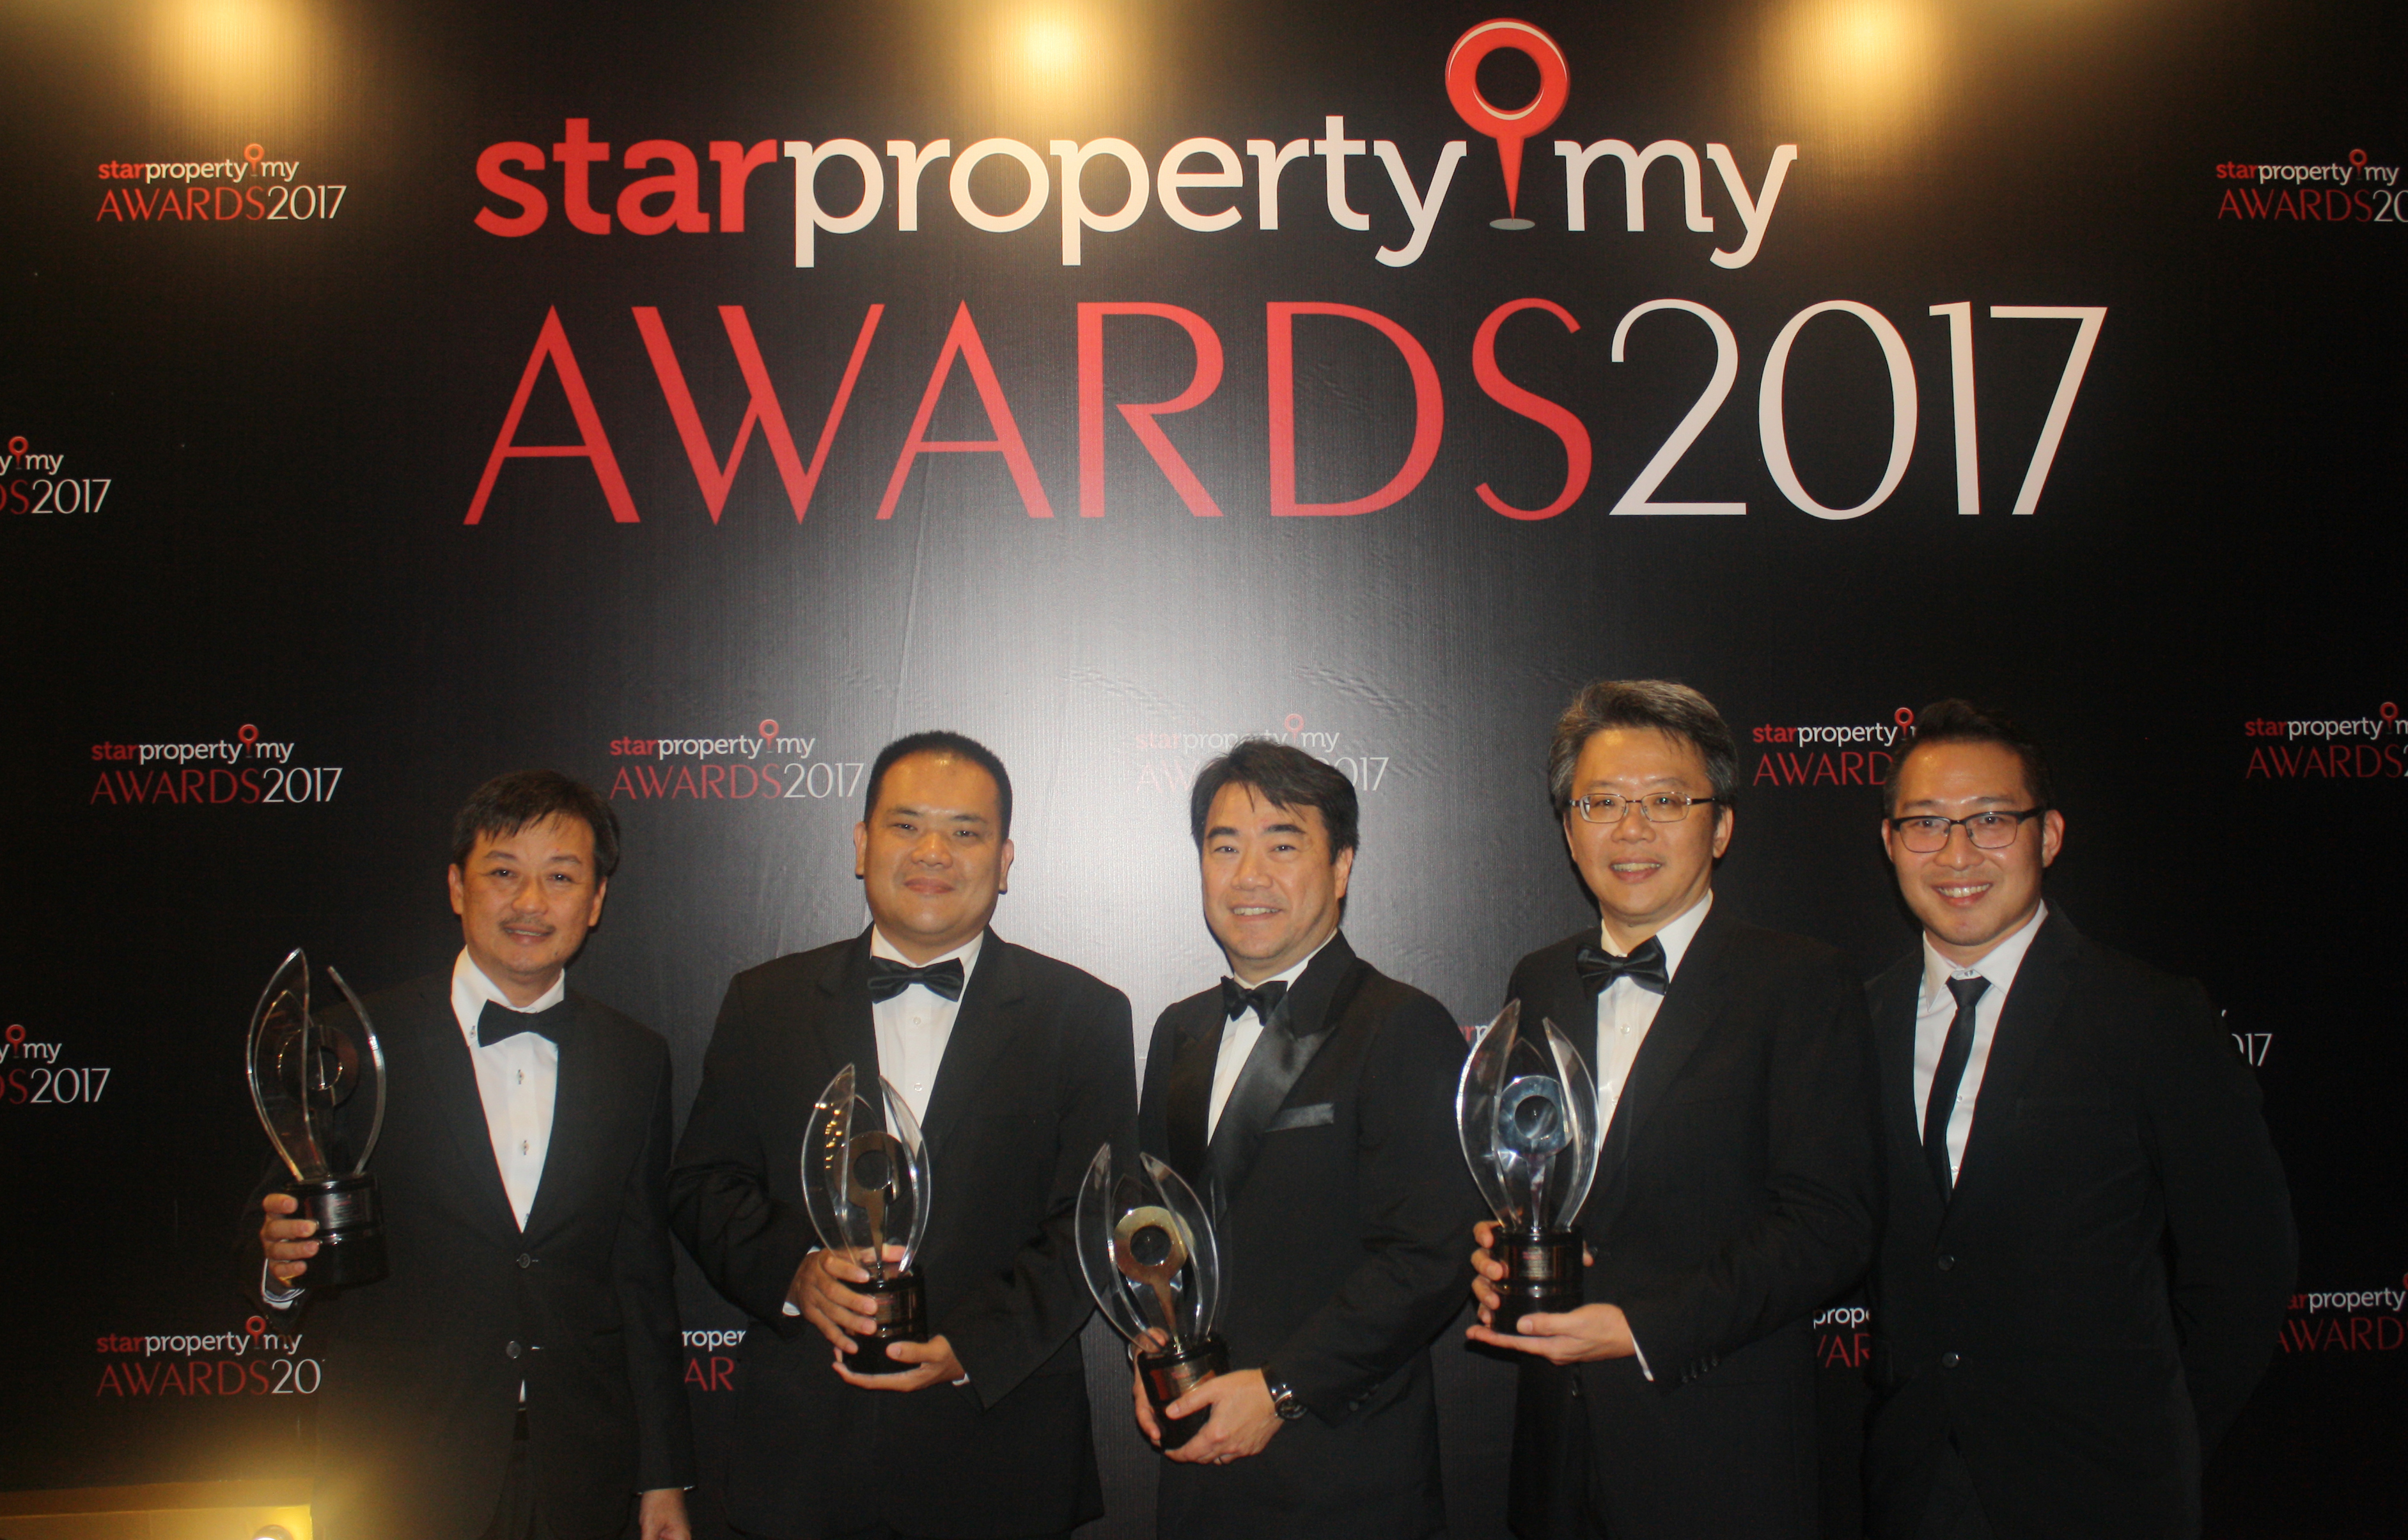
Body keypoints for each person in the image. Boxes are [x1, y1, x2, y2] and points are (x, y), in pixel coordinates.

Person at [669, 730, 1135, 1540]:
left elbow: (1093, 1221)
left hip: (1000, 1457)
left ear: (1005, 857)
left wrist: (974, 1345)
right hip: (801, 1464)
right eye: (905, 824)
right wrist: (795, 1271)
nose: (933, 851)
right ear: (860, 843)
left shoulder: (1084, 1015)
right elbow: (704, 1182)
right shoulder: (764, 1002)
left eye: (965, 830)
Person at [1861, 700, 2294, 1540]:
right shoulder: (1855, 1021)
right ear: (1889, 844)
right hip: (1914, 1493)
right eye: (1924, 824)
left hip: (2107, 1493)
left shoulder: (2151, 1015)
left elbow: (2246, 1266)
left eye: (1990, 820)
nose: (1956, 853)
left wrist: (2154, 1443)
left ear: (2047, 836)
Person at [1467, 679, 1878, 1540]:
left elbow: (1828, 1223)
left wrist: (1640, 1329)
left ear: (1720, 825)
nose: (1631, 828)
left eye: (1665, 800)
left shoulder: (1800, 982)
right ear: (1568, 825)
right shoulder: (1538, 981)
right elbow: (1533, 1180)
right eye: (1602, 802)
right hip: (1557, 1461)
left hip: (1720, 1455)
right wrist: (1502, 1251)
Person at [251, 770, 693, 1540]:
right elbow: (264, 1226)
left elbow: (641, 1278)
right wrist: (279, 1262)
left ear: (594, 902)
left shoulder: (636, 1058)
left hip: (580, 1470)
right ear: (457, 886)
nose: (530, 902)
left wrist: (661, 1477)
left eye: (561, 876)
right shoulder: (349, 1041)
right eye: (503, 873)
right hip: (397, 1470)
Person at [1133, 742, 1482, 1539]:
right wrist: (1151, 1349)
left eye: (1282, 843)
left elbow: (1430, 1255)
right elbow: (1156, 1227)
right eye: (1224, 845)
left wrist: (1282, 1389)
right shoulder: (1177, 1030)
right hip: (1194, 1474)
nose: (1248, 873)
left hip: (1341, 1471)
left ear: (1342, 866)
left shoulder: (1399, 1024)